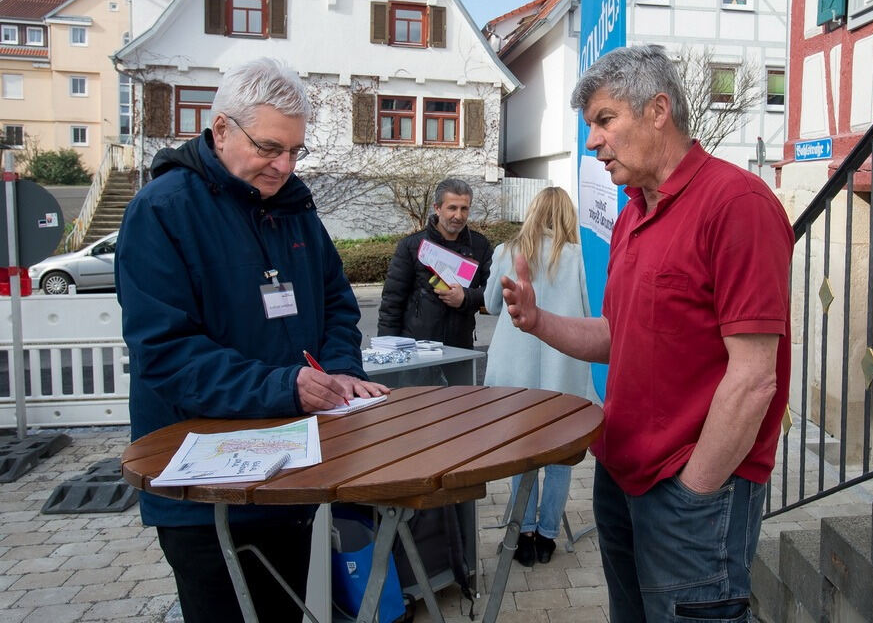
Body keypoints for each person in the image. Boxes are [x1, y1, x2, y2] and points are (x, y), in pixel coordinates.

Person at [501, 44, 793, 622]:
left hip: (689, 492)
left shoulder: (737, 203)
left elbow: (755, 378)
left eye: (605, 121)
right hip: (620, 476)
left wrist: (696, 490)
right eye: (590, 126)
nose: (591, 142)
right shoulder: (635, 209)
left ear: (658, 110)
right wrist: (537, 321)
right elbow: (618, 334)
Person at [116, 58, 389, 623]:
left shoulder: (293, 207)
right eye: (269, 147)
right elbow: (164, 352)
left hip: (296, 472)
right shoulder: (162, 211)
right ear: (220, 130)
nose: (284, 166)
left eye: (295, 151)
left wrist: (336, 370)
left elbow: (336, 301)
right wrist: (284, 387)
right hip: (204, 490)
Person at [483, 186, 592, 567]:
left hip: (514, 374)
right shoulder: (579, 257)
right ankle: (548, 535)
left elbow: (492, 304)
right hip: (564, 369)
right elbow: (593, 313)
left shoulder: (506, 253)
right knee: (560, 456)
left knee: (521, 452)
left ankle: (523, 533)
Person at [377, 178, 493, 349]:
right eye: (452, 208)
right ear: (437, 208)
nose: (458, 216)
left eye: (464, 209)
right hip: (417, 350)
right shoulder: (411, 246)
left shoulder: (480, 245)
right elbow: (391, 304)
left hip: (460, 349)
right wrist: (385, 349)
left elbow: (493, 291)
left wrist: (466, 297)